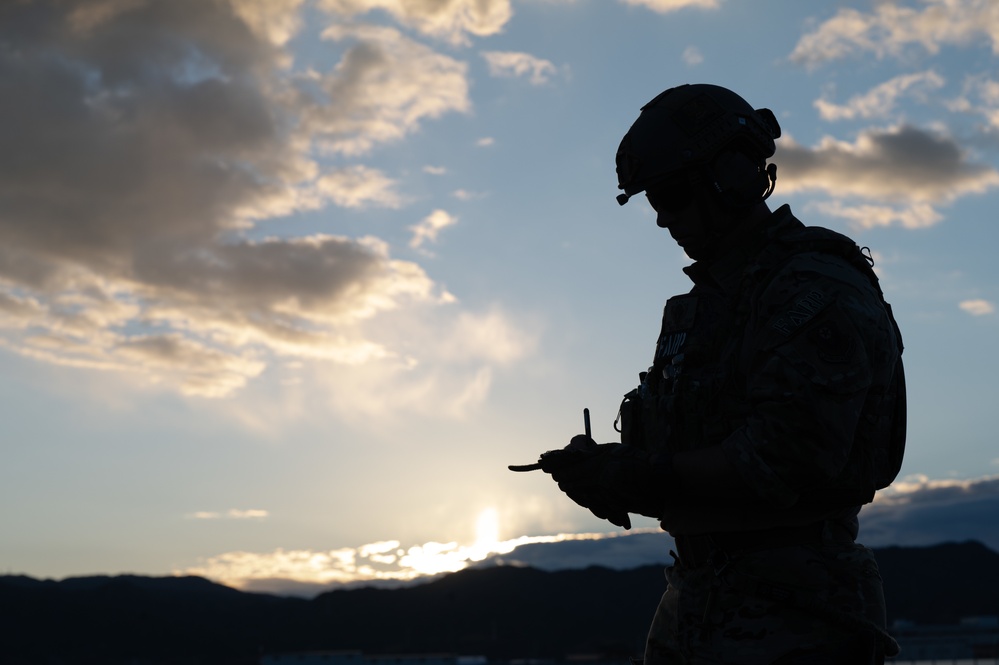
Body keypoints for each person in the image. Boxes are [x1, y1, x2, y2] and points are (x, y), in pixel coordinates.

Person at [533, 84, 906, 664]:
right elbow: (684, 451)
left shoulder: (811, 289)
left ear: (732, 174)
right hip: (696, 601)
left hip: (798, 614)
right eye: (654, 200)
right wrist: (608, 471)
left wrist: (639, 475)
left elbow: (785, 458)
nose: (662, 219)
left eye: (674, 195)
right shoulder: (702, 309)